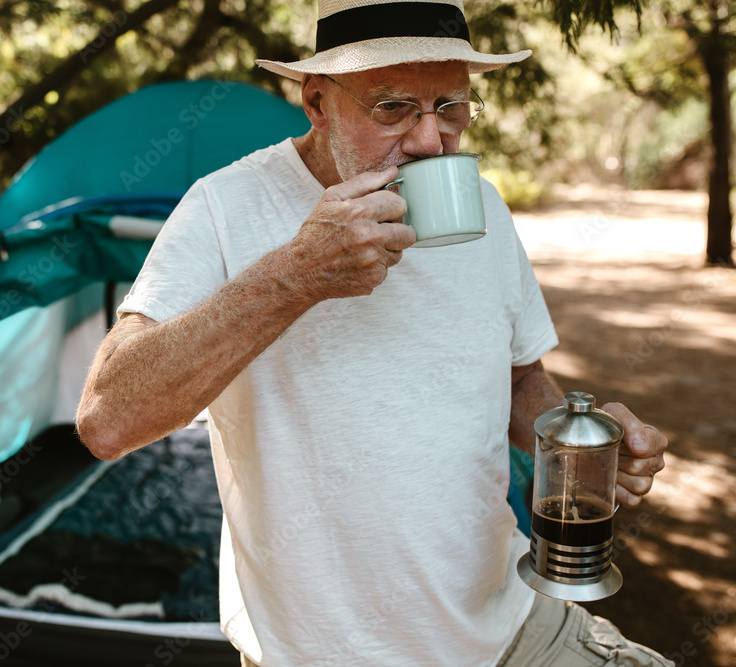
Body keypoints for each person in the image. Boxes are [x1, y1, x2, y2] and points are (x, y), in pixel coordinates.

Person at [76, 0, 671, 664]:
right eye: (391, 108)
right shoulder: (224, 207)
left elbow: (517, 377)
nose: (428, 140)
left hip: (513, 630)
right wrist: (293, 275)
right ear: (317, 101)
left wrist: (577, 444)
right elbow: (107, 418)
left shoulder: (486, 209)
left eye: (451, 107)